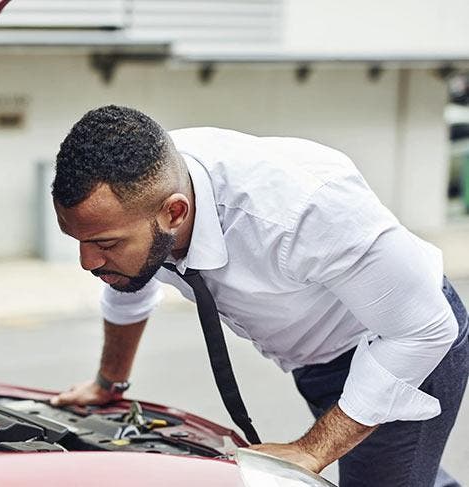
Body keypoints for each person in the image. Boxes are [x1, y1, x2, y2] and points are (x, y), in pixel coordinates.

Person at [49, 105, 468, 486]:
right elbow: (127, 284)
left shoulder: (303, 209)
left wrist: (312, 450)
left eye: (104, 243)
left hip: (401, 345)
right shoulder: (140, 191)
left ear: (175, 213)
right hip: (317, 360)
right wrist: (109, 382)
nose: (88, 262)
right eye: (78, 241)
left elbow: (425, 328)